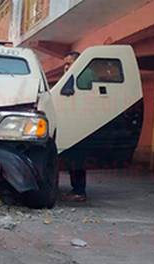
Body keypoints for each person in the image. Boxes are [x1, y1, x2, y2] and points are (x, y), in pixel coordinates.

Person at [62, 51, 88, 202]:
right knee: (74, 160)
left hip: (80, 123)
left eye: (69, 63)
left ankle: (79, 191)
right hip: (74, 122)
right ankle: (76, 189)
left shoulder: (82, 76)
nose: (66, 66)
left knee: (77, 159)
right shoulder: (74, 75)